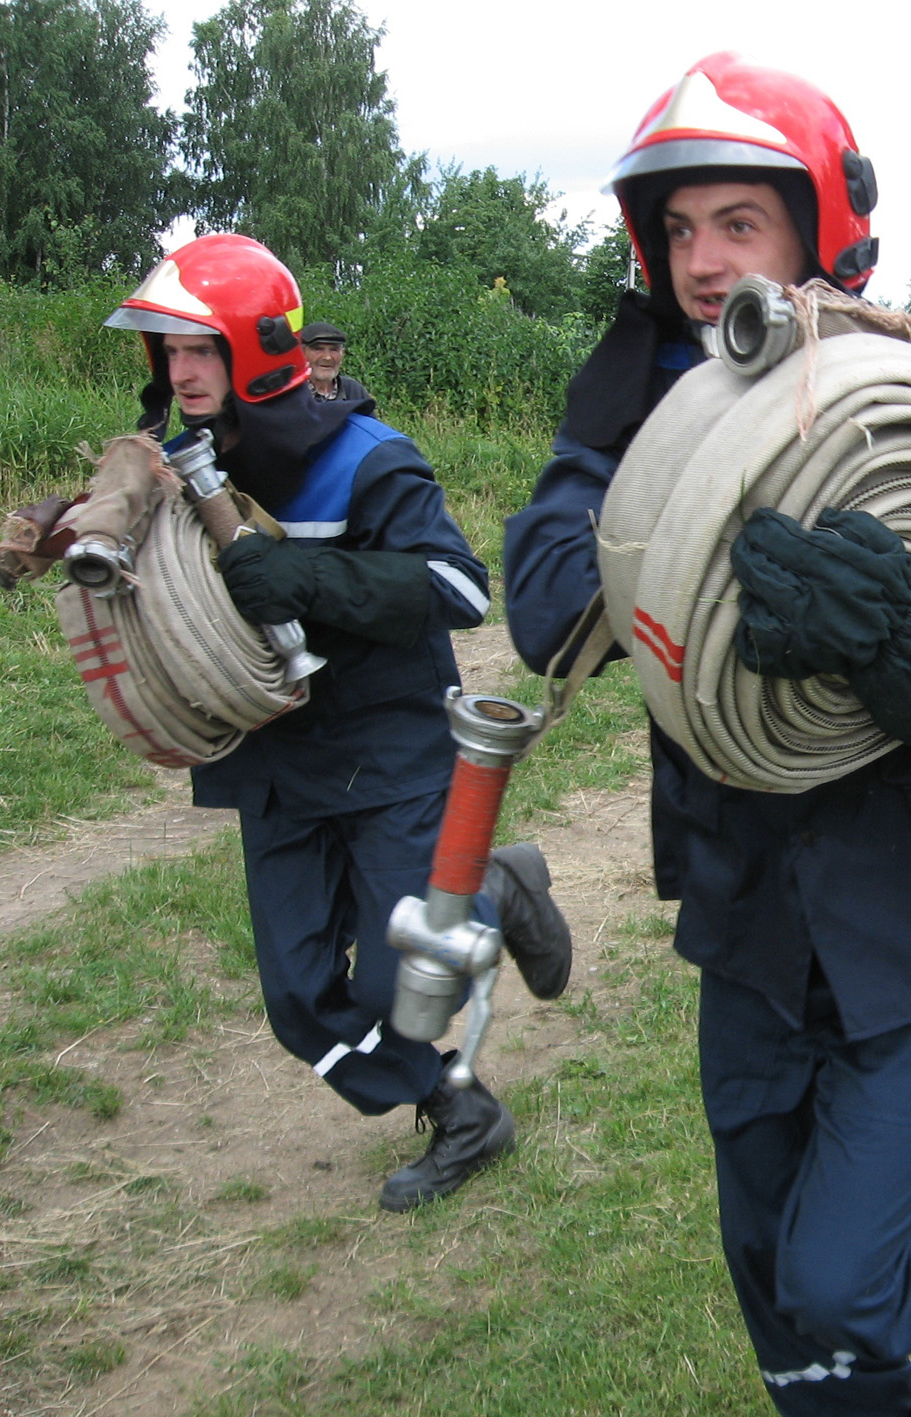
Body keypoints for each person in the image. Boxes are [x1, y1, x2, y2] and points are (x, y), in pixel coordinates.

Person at [504, 54, 911, 1417]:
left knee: (838, 1276)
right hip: (744, 917)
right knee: (767, 1262)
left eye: (736, 221)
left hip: (909, 918)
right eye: (678, 228)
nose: (700, 260)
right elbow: (552, 579)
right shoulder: (632, 398)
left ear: (816, 225)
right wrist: (704, 571)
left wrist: (894, 626)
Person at [105, 233, 573, 1212]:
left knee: (403, 978)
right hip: (273, 764)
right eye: (167, 351)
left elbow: (455, 584)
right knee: (299, 998)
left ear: (253, 348)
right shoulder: (170, 464)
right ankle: (465, 1107)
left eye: (200, 349)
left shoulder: (365, 458)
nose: (180, 372)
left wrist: (306, 577)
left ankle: (491, 891)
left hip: (386, 751)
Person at [299, 320, 371, 403]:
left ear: (342, 353)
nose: (327, 357)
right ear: (301, 353)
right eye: (318, 349)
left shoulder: (354, 391)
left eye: (334, 350)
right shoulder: (290, 393)